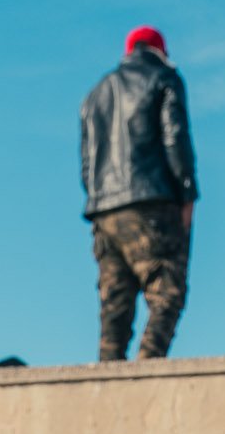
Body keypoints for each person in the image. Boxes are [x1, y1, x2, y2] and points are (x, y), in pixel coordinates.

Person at [80, 24, 198, 361]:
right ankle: (148, 368)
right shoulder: (164, 78)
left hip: (104, 211)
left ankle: (108, 378)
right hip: (152, 203)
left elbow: (87, 163)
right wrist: (187, 193)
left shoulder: (96, 93)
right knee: (167, 293)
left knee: (114, 309)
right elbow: (175, 138)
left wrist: (98, 201)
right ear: (161, 51)